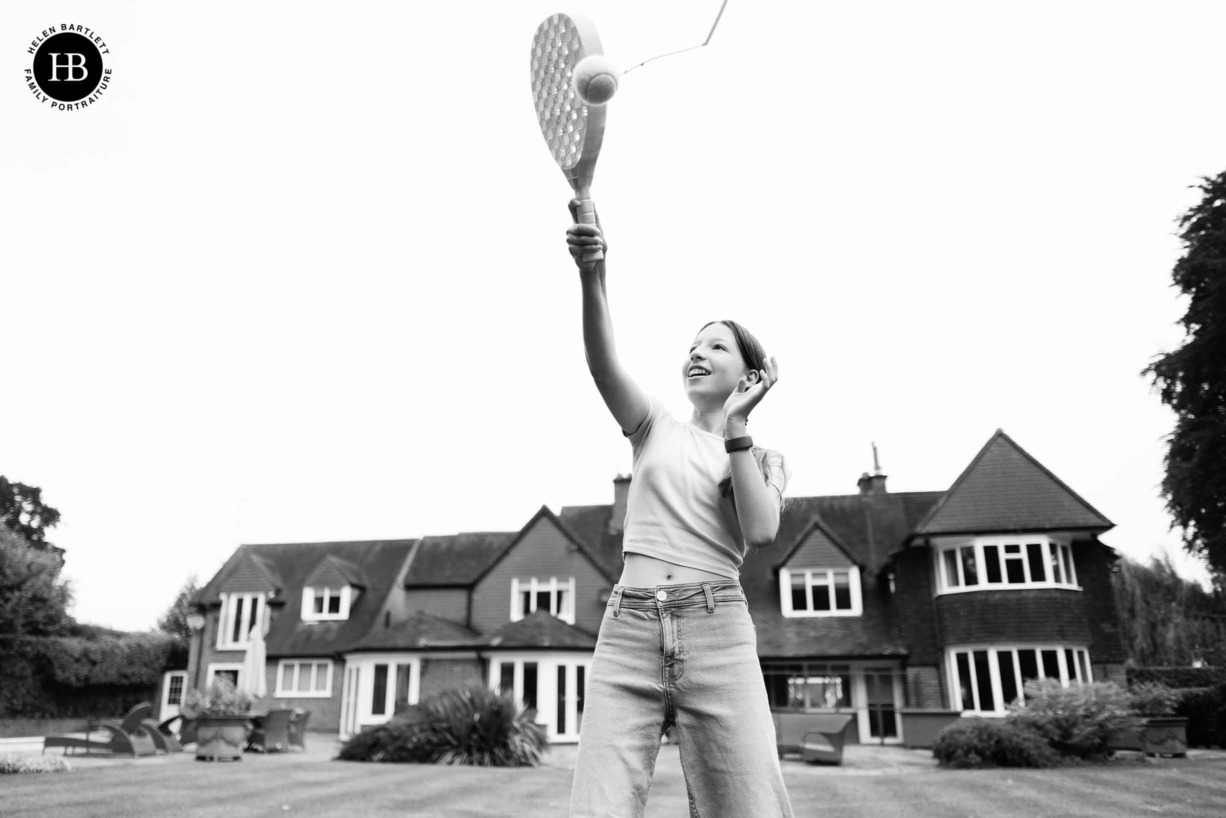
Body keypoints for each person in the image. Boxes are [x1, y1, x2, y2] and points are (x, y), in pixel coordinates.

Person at [565, 202, 793, 818]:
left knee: (750, 808)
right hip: (628, 630)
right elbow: (601, 359)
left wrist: (739, 425)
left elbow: (762, 530)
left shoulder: (761, 457)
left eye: (716, 346)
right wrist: (594, 274)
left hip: (717, 632)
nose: (696, 353)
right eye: (692, 346)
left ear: (751, 372)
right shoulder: (654, 428)